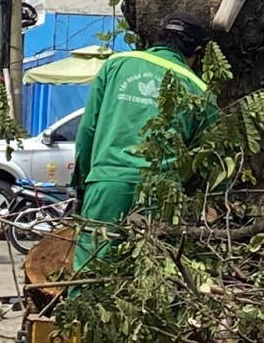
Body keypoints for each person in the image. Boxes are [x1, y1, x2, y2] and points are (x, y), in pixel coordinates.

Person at [72, 14, 214, 266]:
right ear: (198, 51)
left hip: (107, 183)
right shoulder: (199, 89)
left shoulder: (116, 65)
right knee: (152, 272)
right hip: (163, 193)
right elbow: (204, 156)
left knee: (91, 268)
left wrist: (83, 185)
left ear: (158, 38)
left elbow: (87, 130)